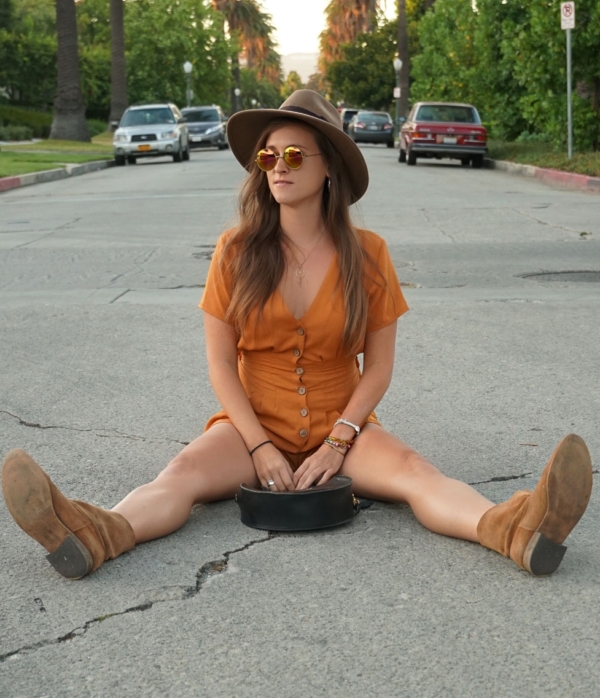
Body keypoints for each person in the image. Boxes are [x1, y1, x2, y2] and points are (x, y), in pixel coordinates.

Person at [1, 90, 593, 580]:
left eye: (293, 155)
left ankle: (517, 530)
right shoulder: (235, 250)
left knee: (416, 473)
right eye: (268, 158)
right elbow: (220, 368)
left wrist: (339, 440)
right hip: (249, 426)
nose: (278, 167)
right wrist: (258, 445)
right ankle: (91, 532)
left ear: (328, 165)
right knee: (179, 476)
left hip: (346, 426)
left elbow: (379, 368)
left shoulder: (369, 254)